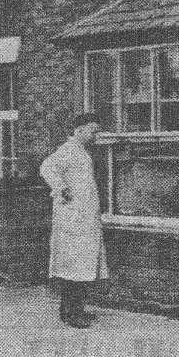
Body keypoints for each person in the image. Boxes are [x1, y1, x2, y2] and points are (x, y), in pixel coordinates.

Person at [40, 112, 108, 328]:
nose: (95, 135)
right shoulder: (68, 150)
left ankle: (76, 309)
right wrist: (61, 188)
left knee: (83, 266)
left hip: (85, 220)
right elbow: (46, 167)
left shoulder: (82, 152)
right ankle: (69, 313)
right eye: (92, 131)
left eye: (97, 131)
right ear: (79, 130)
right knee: (73, 268)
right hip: (73, 221)